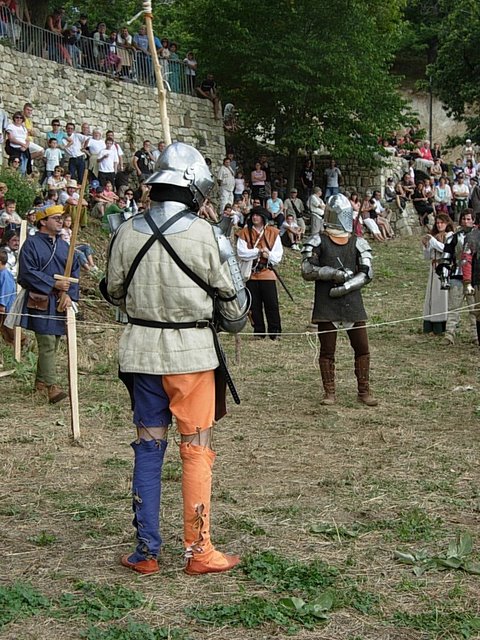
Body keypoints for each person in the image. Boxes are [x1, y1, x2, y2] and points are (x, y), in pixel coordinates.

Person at [104, 142, 249, 576]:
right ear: (193, 190)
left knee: (149, 449)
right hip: (191, 358)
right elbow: (237, 311)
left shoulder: (125, 231)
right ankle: (198, 551)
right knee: (196, 450)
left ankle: (146, 551)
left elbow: (113, 293)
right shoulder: (208, 235)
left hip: (142, 354)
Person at [301, 193, 377, 406]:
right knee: (327, 351)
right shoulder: (319, 240)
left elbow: (367, 272)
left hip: (351, 300)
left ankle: (364, 391)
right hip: (328, 301)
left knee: (362, 348)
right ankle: (329, 392)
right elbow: (307, 270)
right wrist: (331, 273)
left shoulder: (357, 242)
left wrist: (346, 285)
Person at [15, 205, 80, 403]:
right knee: (47, 343)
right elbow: (26, 273)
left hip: (60, 301)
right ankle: (52, 387)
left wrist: (69, 294)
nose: (61, 221)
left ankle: (40, 383)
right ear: (43, 221)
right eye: (56, 218)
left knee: (55, 341)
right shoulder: (31, 244)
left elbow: (74, 272)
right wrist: (53, 283)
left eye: (62, 218)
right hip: (40, 300)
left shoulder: (64, 246)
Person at [237, 206, 283, 340]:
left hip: (267, 273)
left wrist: (267, 254)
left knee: (272, 304)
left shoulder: (273, 232)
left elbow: (277, 256)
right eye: (253, 215)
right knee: (254, 305)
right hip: (251, 274)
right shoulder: (244, 232)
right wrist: (257, 251)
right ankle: (258, 332)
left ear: (263, 217)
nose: (254, 217)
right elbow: (242, 253)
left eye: (257, 215)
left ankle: (275, 332)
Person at [436, 209, 477, 345]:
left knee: (475, 310)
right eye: (464, 219)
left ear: (473, 220)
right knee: (454, 308)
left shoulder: (477, 237)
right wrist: (444, 276)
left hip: (475, 277)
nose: (466, 221)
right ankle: (449, 335)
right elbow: (446, 258)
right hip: (457, 276)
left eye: (469, 219)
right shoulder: (453, 237)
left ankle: (475, 336)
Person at [421, 213, 454, 336]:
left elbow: (446, 249)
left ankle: (442, 325)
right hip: (434, 269)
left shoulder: (450, 236)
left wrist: (433, 241)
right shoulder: (434, 237)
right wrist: (426, 247)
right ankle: (431, 323)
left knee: (442, 296)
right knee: (432, 296)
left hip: (444, 269)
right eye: (438, 223)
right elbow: (427, 256)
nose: (439, 225)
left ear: (447, 224)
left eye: (442, 223)